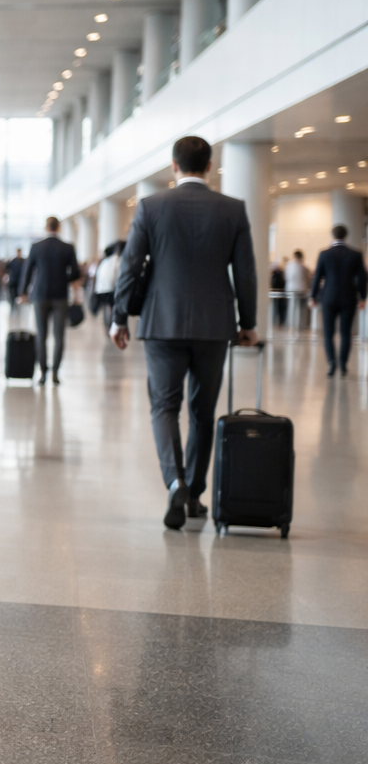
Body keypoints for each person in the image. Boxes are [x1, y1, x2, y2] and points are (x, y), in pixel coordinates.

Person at [111, 135, 257, 531]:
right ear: (209, 166)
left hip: (162, 323)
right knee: (202, 411)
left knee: (164, 407)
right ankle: (193, 493)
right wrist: (248, 323)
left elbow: (129, 267)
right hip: (214, 325)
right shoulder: (232, 209)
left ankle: (174, 482)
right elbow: (244, 271)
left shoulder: (151, 207)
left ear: (174, 166)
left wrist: (119, 317)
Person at [20, 217, 82, 384]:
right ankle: (55, 372)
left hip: (40, 294)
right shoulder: (68, 247)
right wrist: (63, 277)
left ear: (45, 227)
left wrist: (22, 292)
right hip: (60, 295)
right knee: (59, 335)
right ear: (59, 227)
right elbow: (76, 273)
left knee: (41, 335)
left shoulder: (36, 247)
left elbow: (28, 271)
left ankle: (42, 373)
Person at [310, 225, 368, 377]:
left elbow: (317, 277)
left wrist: (313, 296)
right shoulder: (356, 254)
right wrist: (363, 297)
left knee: (328, 333)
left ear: (333, 236)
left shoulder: (324, 253)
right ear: (346, 236)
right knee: (346, 332)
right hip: (349, 298)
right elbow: (362, 278)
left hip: (328, 297)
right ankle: (343, 364)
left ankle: (331, 363)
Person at [95, 241, 124, 330]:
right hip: (111, 288)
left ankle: (107, 323)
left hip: (102, 289)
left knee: (106, 307)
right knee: (112, 307)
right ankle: (111, 323)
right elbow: (119, 275)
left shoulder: (105, 261)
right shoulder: (117, 260)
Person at [284, 249, 310, 327]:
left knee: (291, 307)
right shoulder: (303, 267)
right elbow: (307, 278)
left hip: (290, 288)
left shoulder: (288, 265)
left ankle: (291, 322)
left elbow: (286, 277)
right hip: (301, 289)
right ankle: (300, 323)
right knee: (301, 308)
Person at [5, 247, 27, 315]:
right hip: (13, 281)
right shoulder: (13, 260)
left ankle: (18, 310)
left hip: (20, 281)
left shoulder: (23, 260)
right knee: (12, 296)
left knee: (19, 296)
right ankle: (13, 309)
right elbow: (7, 268)